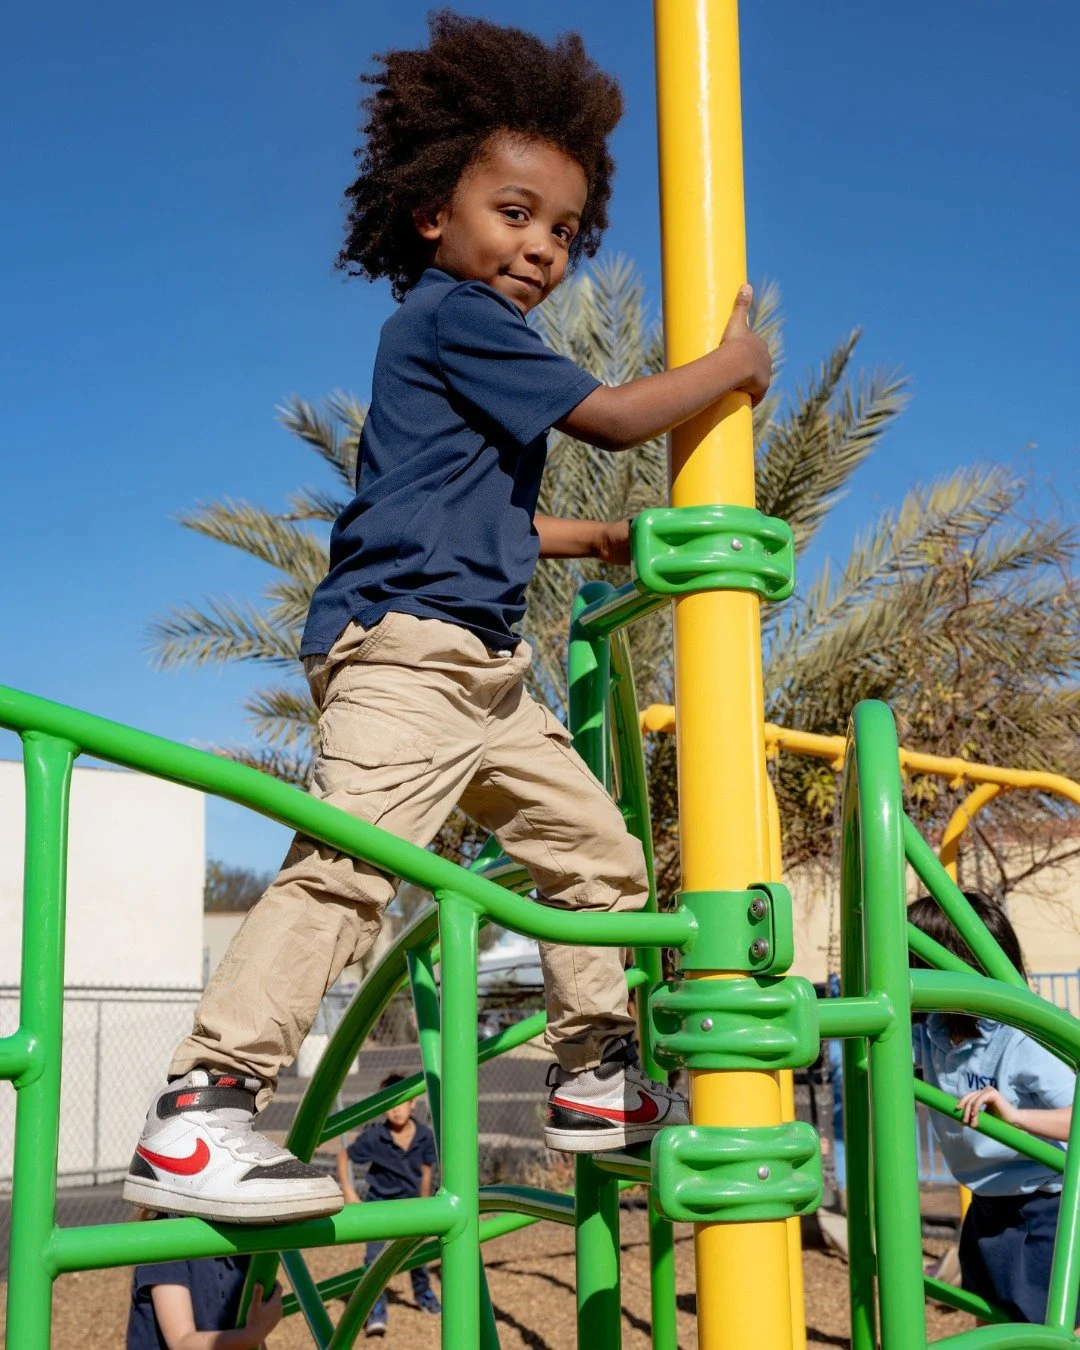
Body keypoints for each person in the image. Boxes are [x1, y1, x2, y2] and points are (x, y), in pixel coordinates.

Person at [124, 12, 771, 1224]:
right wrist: (732, 369)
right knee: (351, 867)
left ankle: (594, 1076)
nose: (540, 247)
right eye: (514, 213)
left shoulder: (468, 354)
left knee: (597, 857)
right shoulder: (455, 319)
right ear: (434, 212)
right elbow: (615, 420)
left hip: (485, 671)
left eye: (564, 230)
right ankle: (201, 1109)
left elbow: (478, 517)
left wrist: (597, 539)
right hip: (406, 653)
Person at [908, 891, 1076, 1325]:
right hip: (987, 1203)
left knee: (1046, 1331)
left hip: (1046, 1206)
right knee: (990, 1320)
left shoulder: (1022, 1037)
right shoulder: (934, 1029)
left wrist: (1017, 1117)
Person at [335, 1074, 440, 1336]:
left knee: (416, 1256)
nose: (396, 1109)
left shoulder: (424, 1136)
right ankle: (376, 1309)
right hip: (379, 1205)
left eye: (402, 1102)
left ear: (413, 1103)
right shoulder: (375, 1137)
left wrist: (425, 1203)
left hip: (411, 1204)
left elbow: (426, 1171)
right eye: (390, 1104)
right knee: (374, 1260)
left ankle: (424, 1294)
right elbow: (344, 1156)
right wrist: (349, 1192)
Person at [126, 1210, 283, 1348]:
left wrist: (254, 1335)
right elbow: (181, 1342)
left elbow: (244, 1329)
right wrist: (250, 1336)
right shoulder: (167, 1237)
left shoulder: (236, 1238)